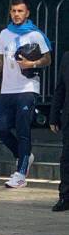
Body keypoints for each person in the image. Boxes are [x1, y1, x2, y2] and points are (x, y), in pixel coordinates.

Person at [0, 0, 51, 189]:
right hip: (7, 89)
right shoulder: (5, 34)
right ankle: (23, 156)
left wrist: (32, 64)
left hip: (27, 89)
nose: (16, 14)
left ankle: (21, 173)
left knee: (23, 129)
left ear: (27, 13)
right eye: (13, 11)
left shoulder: (35, 35)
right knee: (1, 128)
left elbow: (48, 59)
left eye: (20, 11)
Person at [49, 51, 69, 212]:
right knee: (67, 158)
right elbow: (60, 88)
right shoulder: (67, 57)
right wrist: (54, 116)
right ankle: (65, 196)